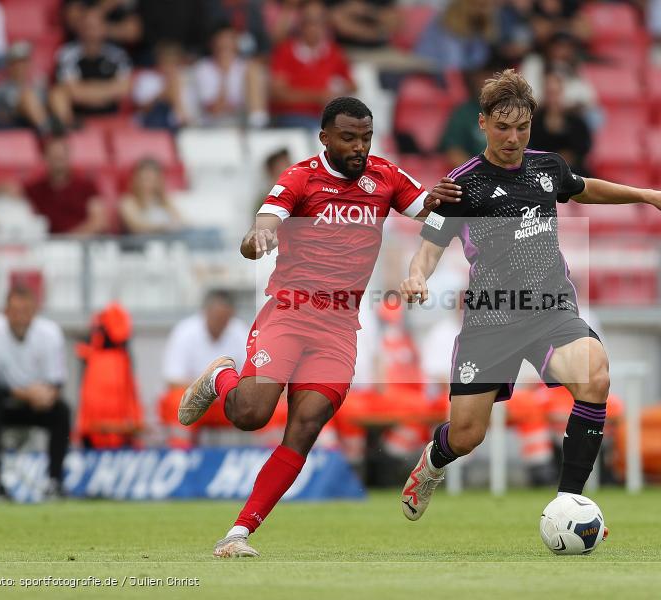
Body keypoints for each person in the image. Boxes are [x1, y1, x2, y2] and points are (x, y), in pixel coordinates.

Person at [397, 69, 661, 521]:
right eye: (503, 127)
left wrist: (647, 195)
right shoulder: (462, 183)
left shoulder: (546, 167)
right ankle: (433, 462)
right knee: (467, 436)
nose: (513, 137)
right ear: (483, 123)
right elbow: (430, 246)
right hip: (491, 320)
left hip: (550, 308)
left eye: (522, 127)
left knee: (594, 377)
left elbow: (585, 187)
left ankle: (570, 501)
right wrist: (417, 277)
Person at [175, 97, 458, 557]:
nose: (359, 147)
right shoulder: (300, 177)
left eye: (366, 137)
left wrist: (453, 209)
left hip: (340, 324)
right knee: (251, 415)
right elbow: (263, 224)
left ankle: (239, 533)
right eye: (349, 137)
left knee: (305, 427)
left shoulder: (385, 176)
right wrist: (258, 238)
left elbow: (430, 207)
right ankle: (221, 377)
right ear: (324, 138)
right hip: (290, 310)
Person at [0, 285, 71, 501]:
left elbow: (57, 380)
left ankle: (54, 481)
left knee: (62, 411)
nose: (21, 318)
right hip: (1, 402)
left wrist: (47, 395)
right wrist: (27, 394)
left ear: (35, 312)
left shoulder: (50, 333)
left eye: (26, 312)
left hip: (35, 404)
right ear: (5, 312)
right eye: (16, 312)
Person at [160, 289, 249, 448]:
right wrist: (210, 388)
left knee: (271, 403)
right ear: (205, 312)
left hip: (228, 402)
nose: (220, 322)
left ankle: (266, 460)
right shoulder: (185, 331)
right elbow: (173, 380)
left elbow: (252, 377)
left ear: (231, 315)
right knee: (174, 400)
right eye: (216, 316)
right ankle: (180, 455)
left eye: (225, 318)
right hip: (197, 401)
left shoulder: (240, 331)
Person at [268, 0, 355, 130]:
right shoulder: (286, 51)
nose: (315, 27)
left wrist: (337, 91)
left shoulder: (334, 52)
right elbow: (278, 93)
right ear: (301, 24)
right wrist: (317, 97)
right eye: (310, 22)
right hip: (292, 116)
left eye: (320, 22)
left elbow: (351, 85)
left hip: (325, 117)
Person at [49, 8, 132, 127]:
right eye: (88, 26)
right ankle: (68, 133)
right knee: (57, 95)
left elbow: (124, 89)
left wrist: (88, 91)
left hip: (111, 111)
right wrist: (108, 91)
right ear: (80, 29)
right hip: (78, 114)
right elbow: (73, 91)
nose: (92, 32)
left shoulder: (117, 55)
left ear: (104, 28)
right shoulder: (67, 54)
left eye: (96, 26)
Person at [24, 136, 109, 235]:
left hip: (81, 242)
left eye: (61, 155)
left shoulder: (86, 185)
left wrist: (70, 238)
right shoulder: (35, 188)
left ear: (69, 156)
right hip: (48, 245)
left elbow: (99, 221)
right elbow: (12, 191)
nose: (58, 159)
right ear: (44, 157)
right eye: (54, 155)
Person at [189, 23, 267, 128]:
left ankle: (258, 126)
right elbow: (215, 110)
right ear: (213, 43)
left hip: (242, 121)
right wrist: (224, 76)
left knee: (254, 71)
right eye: (222, 40)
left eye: (229, 39)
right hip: (212, 124)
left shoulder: (246, 67)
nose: (226, 44)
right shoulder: (202, 69)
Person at [118, 157, 183, 236]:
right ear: (136, 179)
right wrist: (163, 227)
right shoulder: (129, 201)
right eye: (144, 178)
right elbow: (136, 226)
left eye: (152, 179)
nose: (147, 183)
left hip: (170, 238)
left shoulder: (165, 201)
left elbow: (180, 220)